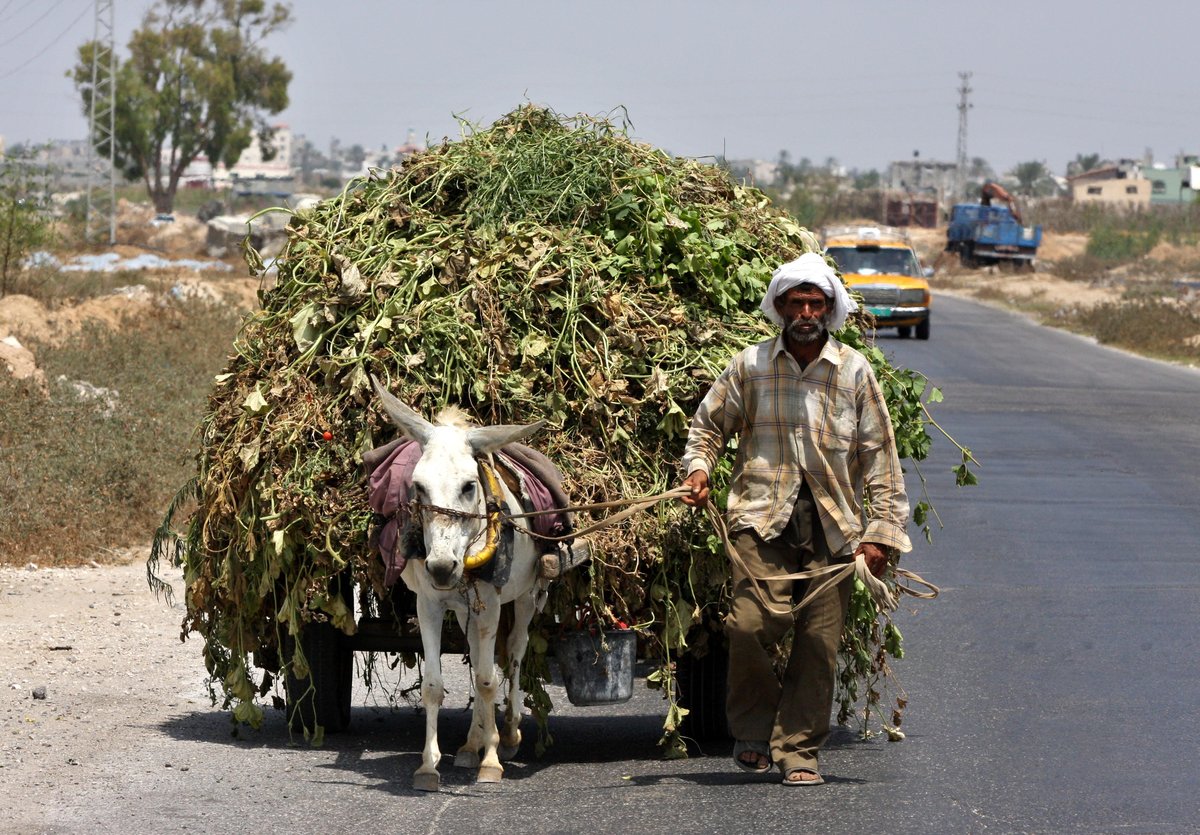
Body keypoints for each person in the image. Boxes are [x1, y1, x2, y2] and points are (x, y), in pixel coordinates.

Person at [679, 251, 912, 786]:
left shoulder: (854, 371)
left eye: (815, 301)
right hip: (761, 517)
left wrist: (880, 535)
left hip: (835, 527)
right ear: (780, 307)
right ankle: (755, 731)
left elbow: (880, 456)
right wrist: (698, 471)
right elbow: (707, 428)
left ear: (829, 309)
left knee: (819, 642)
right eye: (796, 301)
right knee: (748, 625)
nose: (806, 310)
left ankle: (799, 751)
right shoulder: (751, 365)